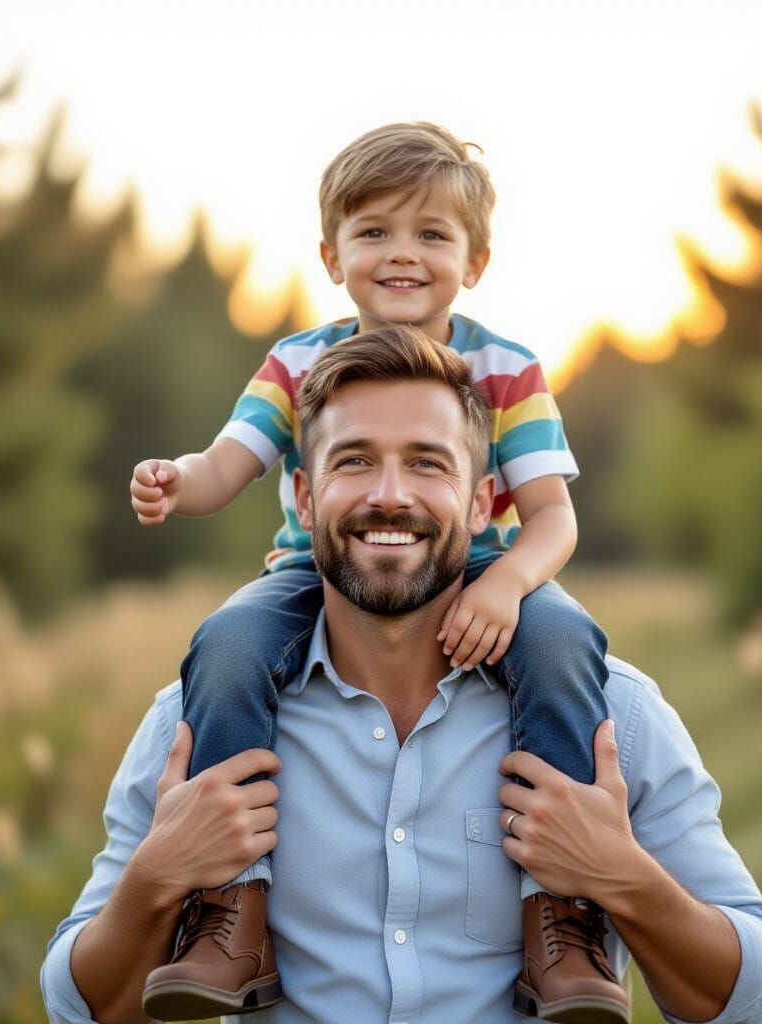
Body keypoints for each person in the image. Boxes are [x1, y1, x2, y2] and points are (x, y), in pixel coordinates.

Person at [42, 328, 762, 1024]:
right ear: (304, 500)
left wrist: (623, 877)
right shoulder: (202, 713)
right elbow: (77, 1006)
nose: (390, 495)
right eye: (354, 460)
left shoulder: (608, 713)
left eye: (427, 462)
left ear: (477, 505)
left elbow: (758, 997)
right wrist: (155, 881)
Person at [127, 124, 618, 1020]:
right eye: (375, 231)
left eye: (432, 234)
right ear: (331, 253)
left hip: (472, 564)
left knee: (563, 642)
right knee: (229, 641)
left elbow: (552, 519)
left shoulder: (505, 368)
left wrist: (504, 585)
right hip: (316, 569)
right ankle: (233, 910)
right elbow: (225, 466)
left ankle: (564, 918)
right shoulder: (295, 362)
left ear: (475, 260)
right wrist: (175, 481)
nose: (403, 254)